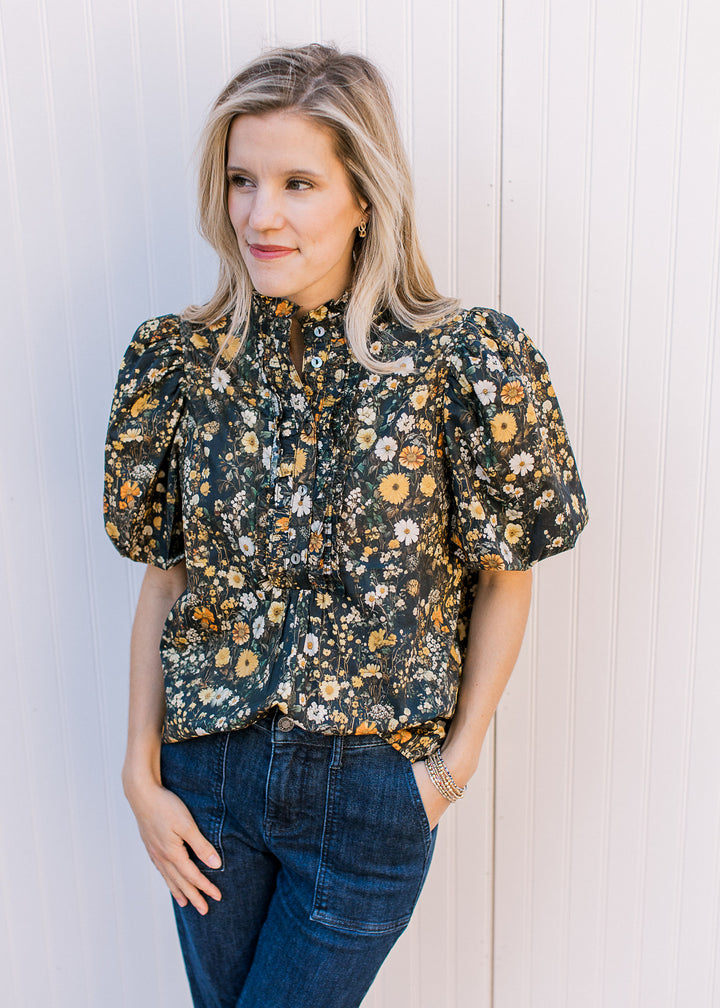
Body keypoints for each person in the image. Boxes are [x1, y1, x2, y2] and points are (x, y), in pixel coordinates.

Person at [104, 43, 588, 1008]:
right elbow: (165, 577)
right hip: (207, 781)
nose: (258, 213)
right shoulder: (181, 364)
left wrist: (448, 773)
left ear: (365, 197)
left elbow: (508, 574)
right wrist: (140, 772)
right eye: (241, 180)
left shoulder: (463, 362)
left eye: (296, 183)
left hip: (371, 791)